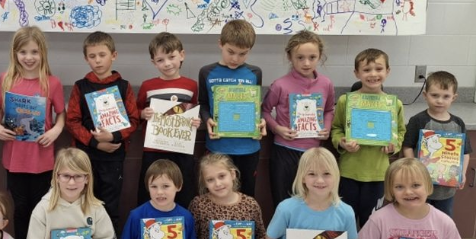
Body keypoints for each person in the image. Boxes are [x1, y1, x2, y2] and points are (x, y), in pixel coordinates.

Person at [65, 31, 139, 239]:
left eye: (102, 55)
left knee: (108, 212)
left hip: (113, 159)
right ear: (86, 58)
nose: (97, 60)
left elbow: (133, 120)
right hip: (84, 159)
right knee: (81, 210)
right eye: (92, 56)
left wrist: (114, 137)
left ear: (113, 55)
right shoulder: (80, 86)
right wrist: (96, 142)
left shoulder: (124, 87)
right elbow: (72, 121)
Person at [0, 26, 65, 239]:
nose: (29, 57)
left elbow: (61, 114)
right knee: (21, 209)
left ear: (43, 53)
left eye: (34, 52)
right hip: (15, 158)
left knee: (41, 209)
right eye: (23, 52)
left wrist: (55, 130)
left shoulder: (52, 83)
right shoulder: (6, 79)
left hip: (41, 157)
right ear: (15, 53)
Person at [331, 48, 405, 229]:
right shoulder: (345, 101)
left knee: (372, 221)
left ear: (388, 71)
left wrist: (393, 146)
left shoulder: (394, 104)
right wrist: (342, 142)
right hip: (349, 172)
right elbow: (336, 129)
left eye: (379, 69)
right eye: (366, 70)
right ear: (357, 73)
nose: (373, 74)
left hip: (378, 174)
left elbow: (400, 132)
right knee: (345, 220)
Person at [262, 31, 335, 209]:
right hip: (284, 151)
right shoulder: (280, 84)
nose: (306, 63)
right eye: (300, 57)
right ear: (290, 57)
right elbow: (264, 111)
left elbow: (329, 110)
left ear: (320, 56)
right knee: (283, 202)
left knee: (311, 202)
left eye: (312, 57)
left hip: (313, 153)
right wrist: (277, 128)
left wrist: (326, 127)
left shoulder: (326, 84)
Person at [199, 19, 266, 198]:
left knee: (246, 196)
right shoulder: (206, 72)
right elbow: (203, 103)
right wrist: (207, 120)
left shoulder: (255, 73)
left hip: (248, 147)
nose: (235, 59)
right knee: (217, 195)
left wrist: (261, 122)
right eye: (231, 52)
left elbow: (256, 107)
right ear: (220, 44)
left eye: (243, 54)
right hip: (218, 146)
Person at [136, 32, 200, 209]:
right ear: (153, 62)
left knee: (184, 190)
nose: (167, 63)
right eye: (160, 60)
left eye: (171, 57)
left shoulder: (191, 85)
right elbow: (136, 111)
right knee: (150, 189)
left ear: (182, 55)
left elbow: (193, 111)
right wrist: (143, 114)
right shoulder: (147, 86)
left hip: (181, 149)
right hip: (154, 148)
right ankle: (146, 222)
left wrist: (196, 121)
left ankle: (184, 223)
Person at [401, 71, 472, 218]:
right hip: (419, 186)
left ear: (454, 98)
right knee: (416, 220)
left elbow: (465, 152)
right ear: (425, 95)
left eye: (446, 96)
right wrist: (415, 169)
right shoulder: (418, 120)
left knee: (442, 221)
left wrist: (462, 173)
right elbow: (407, 147)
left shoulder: (458, 123)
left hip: (446, 190)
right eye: (435, 95)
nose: (440, 100)